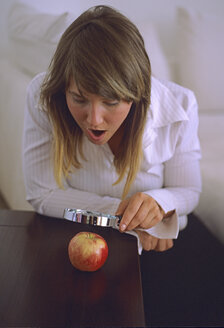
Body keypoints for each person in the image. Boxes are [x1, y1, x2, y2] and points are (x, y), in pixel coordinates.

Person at [23, 5, 201, 253]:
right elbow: (42, 195)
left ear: (136, 93)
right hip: (74, 240)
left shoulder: (181, 105)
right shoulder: (42, 98)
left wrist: (159, 205)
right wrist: (126, 220)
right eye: (79, 98)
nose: (94, 120)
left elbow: (189, 191)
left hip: (156, 249)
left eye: (111, 102)